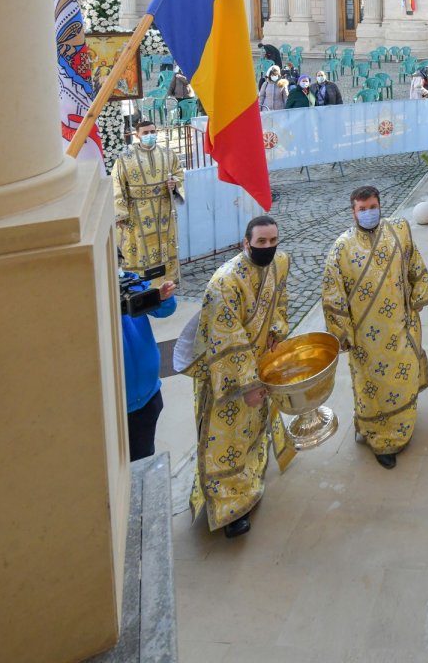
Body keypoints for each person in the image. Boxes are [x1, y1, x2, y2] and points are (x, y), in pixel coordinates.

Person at [181, 216, 295, 539]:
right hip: (226, 375)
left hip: (259, 364)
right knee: (225, 439)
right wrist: (248, 384)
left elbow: (280, 302)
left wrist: (276, 331)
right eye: (261, 242)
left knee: (252, 429)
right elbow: (226, 339)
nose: (268, 247)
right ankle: (229, 508)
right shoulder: (225, 282)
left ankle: (249, 482)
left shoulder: (280, 263)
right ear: (246, 243)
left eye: (273, 241)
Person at [321, 186, 428, 469]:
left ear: (380, 206)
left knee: (403, 380)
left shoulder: (398, 231)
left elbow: (415, 263)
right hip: (365, 338)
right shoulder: (341, 248)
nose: (368, 212)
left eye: (373, 207)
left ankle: (402, 427)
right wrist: (341, 334)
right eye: (362, 209)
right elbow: (332, 295)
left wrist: (419, 296)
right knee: (372, 390)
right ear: (353, 212)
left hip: (401, 326)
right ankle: (381, 439)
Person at [113, 119, 185, 283]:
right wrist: (120, 213)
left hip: (163, 209)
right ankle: (143, 283)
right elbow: (117, 184)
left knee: (164, 243)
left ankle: (167, 280)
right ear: (137, 135)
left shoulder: (168, 154)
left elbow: (179, 174)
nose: (150, 135)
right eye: (145, 133)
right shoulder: (125, 158)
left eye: (152, 132)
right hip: (137, 211)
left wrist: (174, 183)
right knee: (141, 247)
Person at [121, 273, 177, 461]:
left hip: (149, 395)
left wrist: (163, 297)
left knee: (144, 456)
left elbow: (164, 310)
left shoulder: (129, 281)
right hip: (116, 407)